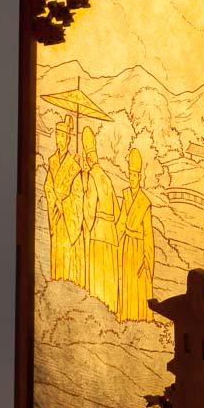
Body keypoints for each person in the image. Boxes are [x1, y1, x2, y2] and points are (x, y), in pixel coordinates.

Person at [81, 126, 120, 313]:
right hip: (111, 235)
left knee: (98, 280)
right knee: (109, 278)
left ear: (88, 158)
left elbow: (89, 207)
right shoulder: (107, 178)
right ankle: (111, 311)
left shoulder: (92, 177)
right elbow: (117, 212)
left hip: (98, 234)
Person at [44, 115, 84, 286]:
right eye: (57, 135)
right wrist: (56, 201)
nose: (59, 139)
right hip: (56, 215)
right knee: (57, 255)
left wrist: (65, 205)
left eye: (62, 136)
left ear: (68, 139)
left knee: (67, 257)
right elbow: (48, 186)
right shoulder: (52, 161)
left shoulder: (74, 166)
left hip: (68, 220)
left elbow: (78, 195)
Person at [116, 148, 154, 323]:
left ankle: (140, 319)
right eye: (130, 175)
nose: (132, 179)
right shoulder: (126, 196)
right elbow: (121, 222)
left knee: (138, 285)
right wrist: (114, 239)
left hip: (139, 249)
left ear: (140, 177)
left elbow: (148, 234)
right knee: (126, 282)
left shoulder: (144, 203)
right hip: (127, 247)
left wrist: (147, 258)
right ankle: (125, 317)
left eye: (135, 175)